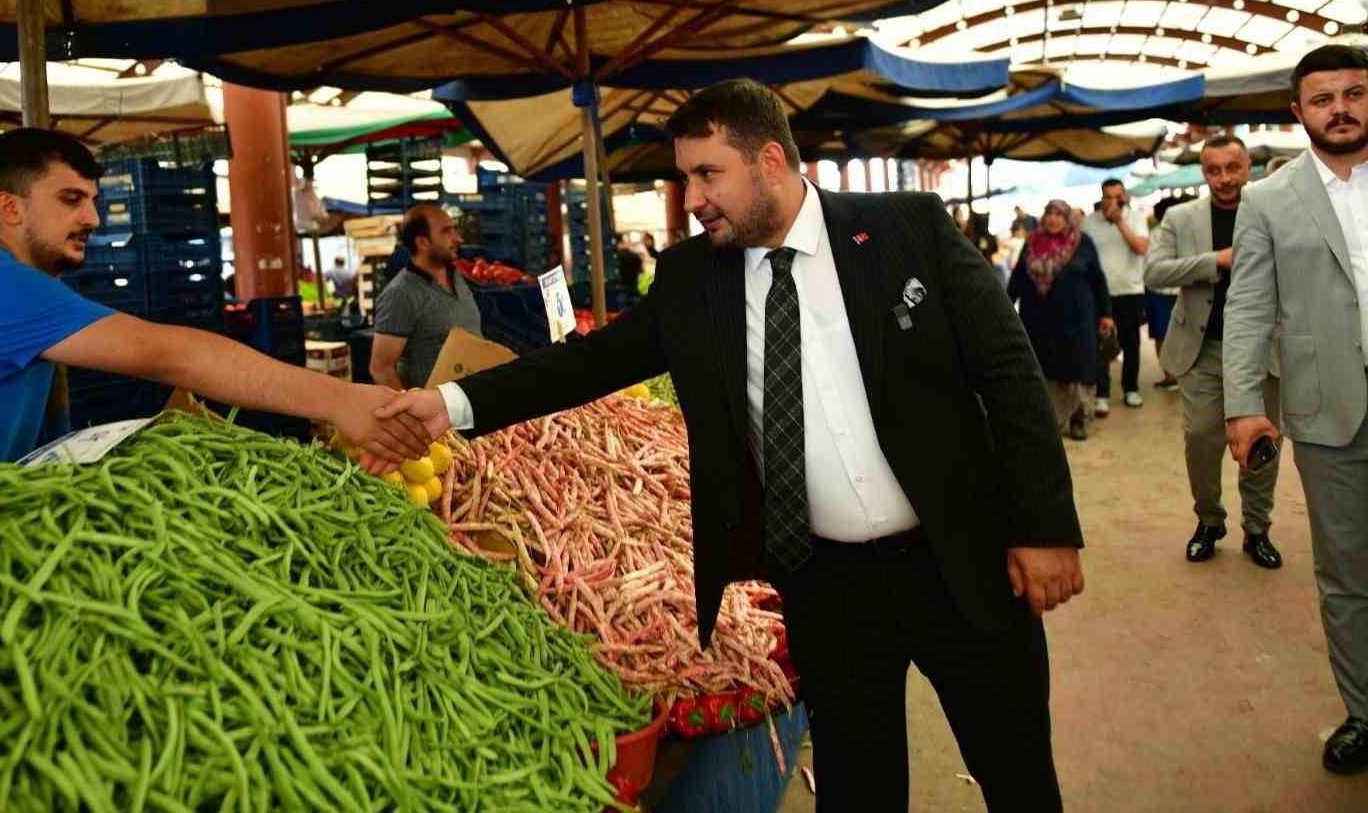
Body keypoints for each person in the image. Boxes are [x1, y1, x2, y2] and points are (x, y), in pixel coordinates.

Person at [380, 79, 1084, 812]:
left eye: (707, 174)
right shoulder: (693, 279)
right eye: (684, 177)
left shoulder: (908, 229)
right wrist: (448, 403)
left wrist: (1044, 526)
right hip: (829, 585)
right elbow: (587, 364)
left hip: (960, 558)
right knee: (858, 792)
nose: (692, 199)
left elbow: (1009, 372)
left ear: (771, 161)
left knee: (1018, 775)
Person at [0, 129, 426, 477]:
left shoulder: (6, 283)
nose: (94, 218)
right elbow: (168, 355)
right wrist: (340, 399)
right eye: (71, 200)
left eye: (94, 201)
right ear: (10, 208)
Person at [1224, 44, 1368, 775]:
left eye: (1354, 93)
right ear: (1298, 112)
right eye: (1323, 98)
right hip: (1328, 409)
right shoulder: (1268, 200)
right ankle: (1365, 712)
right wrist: (1244, 404)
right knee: (1347, 573)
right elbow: (1248, 305)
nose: (1340, 108)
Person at [1145, 136, 1283, 569]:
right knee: (1202, 439)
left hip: (1263, 347)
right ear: (1204, 173)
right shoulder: (1181, 218)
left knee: (1262, 442)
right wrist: (1215, 260)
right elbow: (1153, 271)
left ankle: (1257, 529)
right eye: (1214, 170)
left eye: (1233, 167)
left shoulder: (1273, 209)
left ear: (1249, 167)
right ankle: (1210, 521)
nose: (1225, 179)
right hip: (1202, 348)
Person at [1008, 200, 1114, 441]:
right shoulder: (1031, 243)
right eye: (1050, 214)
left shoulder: (1082, 242)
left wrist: (1106, 313)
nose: (1054, 219)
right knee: (1045, 371)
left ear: (1068, 219)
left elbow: (1098, 280)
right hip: (1038, 321)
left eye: (1059, 215)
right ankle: (1050, 419)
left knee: (1077, 370)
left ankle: (1077, 420)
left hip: (1077, 321)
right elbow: (1016, 281)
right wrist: (1004, 308)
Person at [370, 204, 482, 390]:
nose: (458, 238)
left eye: (455, 229)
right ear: (422, 242)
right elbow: (381, 369)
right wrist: (410, 414)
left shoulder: (455, 275)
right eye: (447, 232)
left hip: (471, 404)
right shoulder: (401, 294)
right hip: (437, 414)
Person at [1083, 179, 1149, 415]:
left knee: (1131, 343)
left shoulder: (1135, 217)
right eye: (1107, 196)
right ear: (1101, 197)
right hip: (1099, 293)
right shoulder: (1089, 222)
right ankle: (1101, 394)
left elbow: (1141, 248)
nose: (1112, 201)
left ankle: (1131, 388)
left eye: (1117, 196)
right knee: (1100, 343)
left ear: (1125, 197)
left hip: (1130, 290)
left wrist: (1119, 220)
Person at [1144, 197, 1181, 392]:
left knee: (1162, 334)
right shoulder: (1182, 230)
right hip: (1176, 290)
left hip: (1162, 292)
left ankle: (1170, 375)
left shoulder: (1155, 234)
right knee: (1167, 334)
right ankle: (1173, 375)